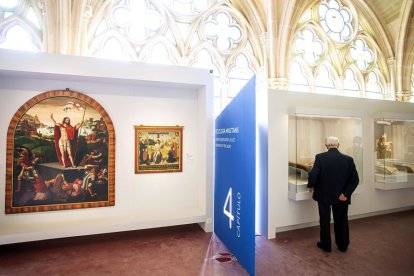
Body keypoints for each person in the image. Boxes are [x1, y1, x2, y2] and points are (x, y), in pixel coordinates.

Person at [307, 136, 359, 253]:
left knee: (324, 220)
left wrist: (311, 184)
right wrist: (345, 193)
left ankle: (326, 245)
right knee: (341, 220)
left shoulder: (320, 157)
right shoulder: (348, 159)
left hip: (324, 195)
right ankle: (342, 245)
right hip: (341, 196)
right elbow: (355, 179)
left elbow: (314, 174)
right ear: (338, 145)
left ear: (326, 146)